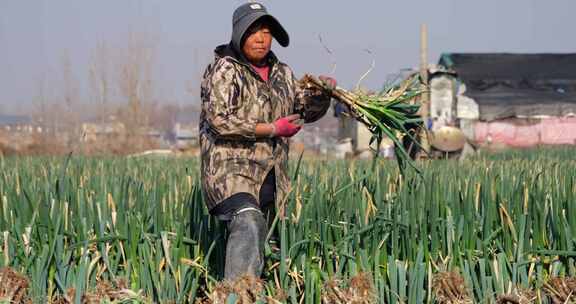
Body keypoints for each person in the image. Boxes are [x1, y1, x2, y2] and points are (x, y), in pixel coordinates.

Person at [199, 2, 336, 280]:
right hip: (230, 173)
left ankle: (263, 291)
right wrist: (272, 128)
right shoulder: (225, 69)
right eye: (253, 31)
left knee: (268, 239)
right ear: (238, 34)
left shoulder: (283, 73)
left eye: (266, 31)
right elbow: (219, 120)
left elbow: (302, 112)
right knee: (248, 219)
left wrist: (323, 95)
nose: (261, 38)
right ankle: (238, 294)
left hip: (271, 175)